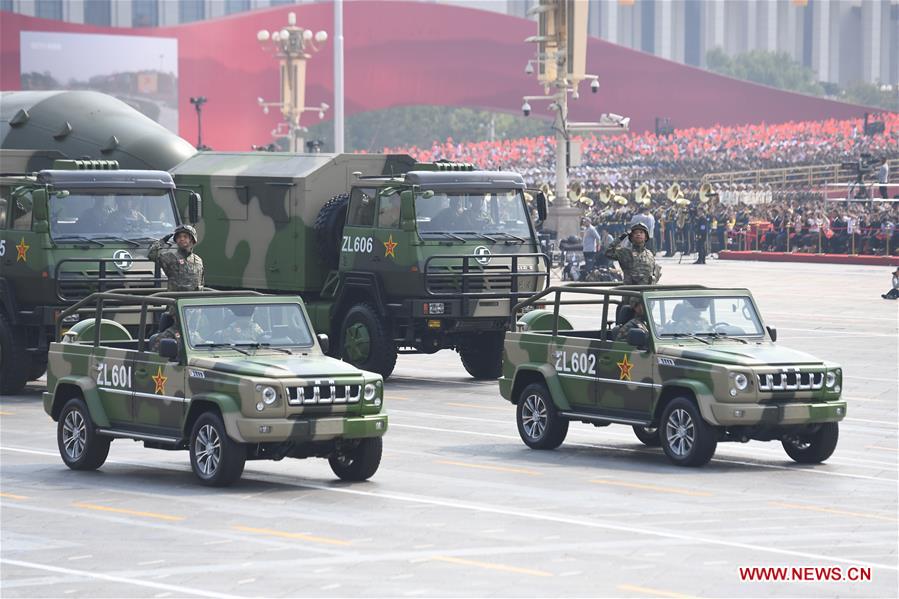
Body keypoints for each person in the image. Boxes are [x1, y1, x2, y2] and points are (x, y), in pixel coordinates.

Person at [148, 225, 204, 293]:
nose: (182, 239)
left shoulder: (198, 260)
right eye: (179, 237)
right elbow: (151, 254)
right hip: (176, 299)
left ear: (192, 240)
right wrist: (162, 241)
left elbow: (201, 282)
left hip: (193, 300)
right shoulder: (170, 257)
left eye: (185, 237)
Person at [605, 222, 661, 286]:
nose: (638, 234)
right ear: (631, 237)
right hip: (631, 292)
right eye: (635, 233)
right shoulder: (625, 252)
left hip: (646, 292)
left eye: (641, 232)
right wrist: (621, 238)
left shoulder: (649, 254)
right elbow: (608, 252)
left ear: (646, 237)